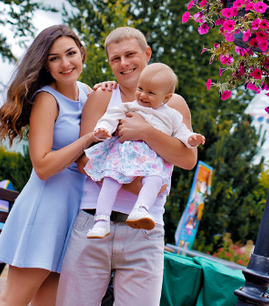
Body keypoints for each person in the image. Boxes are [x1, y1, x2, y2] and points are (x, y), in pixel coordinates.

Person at [56, 27, 197, 306]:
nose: (124, 64)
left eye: (130, 54)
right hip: (93, 220)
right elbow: (84, 159)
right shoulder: (103, 97)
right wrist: (135, 185)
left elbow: (188, 159)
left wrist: (145, 131)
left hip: (146, 232)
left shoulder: (175, 103)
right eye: (115, 58)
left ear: (147, 54)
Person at [0, 25, 107, 306]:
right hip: (45, 211)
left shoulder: (89, 93)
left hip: (74, 213)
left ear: (82, 53)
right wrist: (87, 139)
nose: (65, 63)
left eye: (70, 53)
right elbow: (41, 166)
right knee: (12, 300)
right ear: (45, 65)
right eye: (54, 58)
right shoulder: (46, 99)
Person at [84, 63, 205, 238]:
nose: (142, 95)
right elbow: (111, 117)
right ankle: (101, 221)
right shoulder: (130, 106)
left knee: (156, 179)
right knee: (110, 179)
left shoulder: (172, 115)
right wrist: (103, 128)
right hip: (124, 156)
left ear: (166, 97)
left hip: (151, 161)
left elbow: (182, 133)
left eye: (151, 93)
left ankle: (141, 209)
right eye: (140, 89)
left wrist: (191, 139)